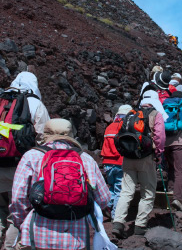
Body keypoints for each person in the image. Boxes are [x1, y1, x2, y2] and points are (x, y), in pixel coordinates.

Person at [10, 118, 111, 250]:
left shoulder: (31, 156)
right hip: (76, 236)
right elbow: (104, 199)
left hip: (37, 234)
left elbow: (18, 198)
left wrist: (21, 223)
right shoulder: (86, 159)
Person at [0, 71, 50, 250]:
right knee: (17, 212)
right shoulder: (34, 103)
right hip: (20, 166)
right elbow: (45, 137)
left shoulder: (2, 101)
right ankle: (10, 247)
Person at [112, 90, 165, 237]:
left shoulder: (131, 114)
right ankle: (140, 226)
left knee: (126, 191)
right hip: (146, 158)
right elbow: (159, 138)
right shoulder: (155, 115)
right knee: (147, 192)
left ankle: (118, 222)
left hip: (128, 156)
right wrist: (158, 154)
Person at [101, 104, 132, 220]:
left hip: (107, 163)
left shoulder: (109, 127)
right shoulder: (127, 126)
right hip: (121, 162)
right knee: (120, 190)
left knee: (112, 187)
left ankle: (107, 205)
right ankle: (116, 216)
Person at [164, 92, 182, 213]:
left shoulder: (165, 104)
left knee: (170, 167)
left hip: (166, 142)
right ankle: (178, 199)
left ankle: (171, 190)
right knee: (180, 171)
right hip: (179, 142)